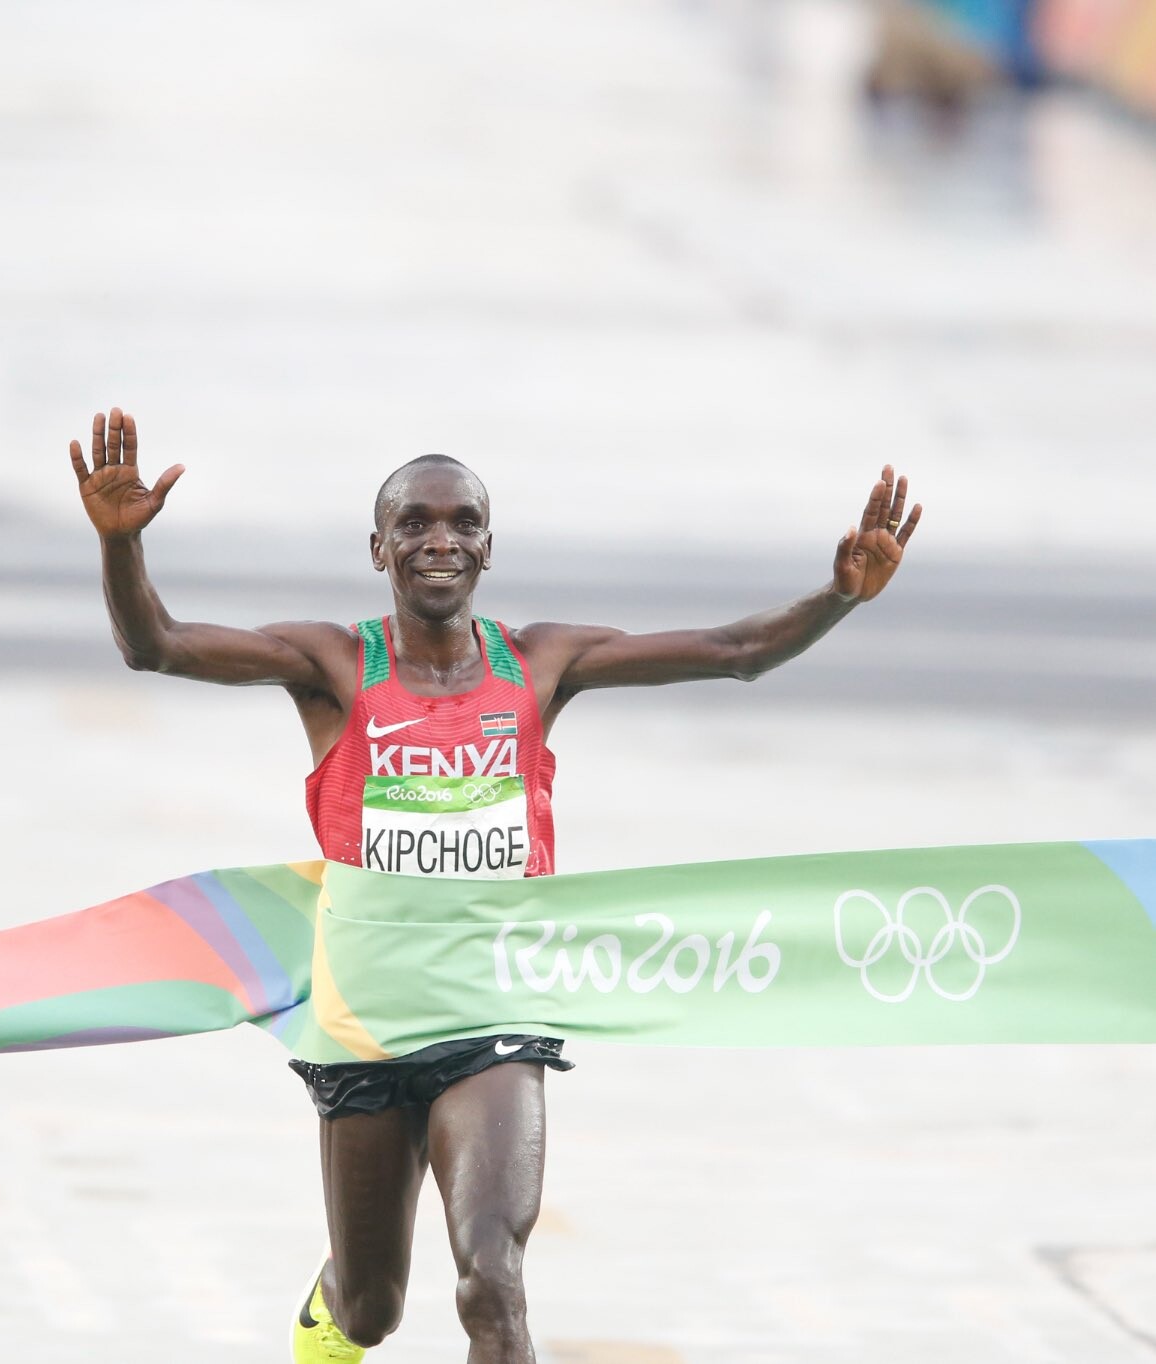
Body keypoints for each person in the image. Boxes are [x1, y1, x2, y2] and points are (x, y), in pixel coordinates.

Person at [69, 407, 923, 1364]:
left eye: (463, 523)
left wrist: (838, 596)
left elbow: (735, 652)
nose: (440, 540)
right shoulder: (336, 664)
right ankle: (332, 1312)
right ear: (379, 548)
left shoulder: (541, 661)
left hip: (494, 1001)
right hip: (366, 1012)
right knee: (371, 1309)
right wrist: (121, 546)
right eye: (415, 523)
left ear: (488, 547)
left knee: (493, 1278)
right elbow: (158, 644)